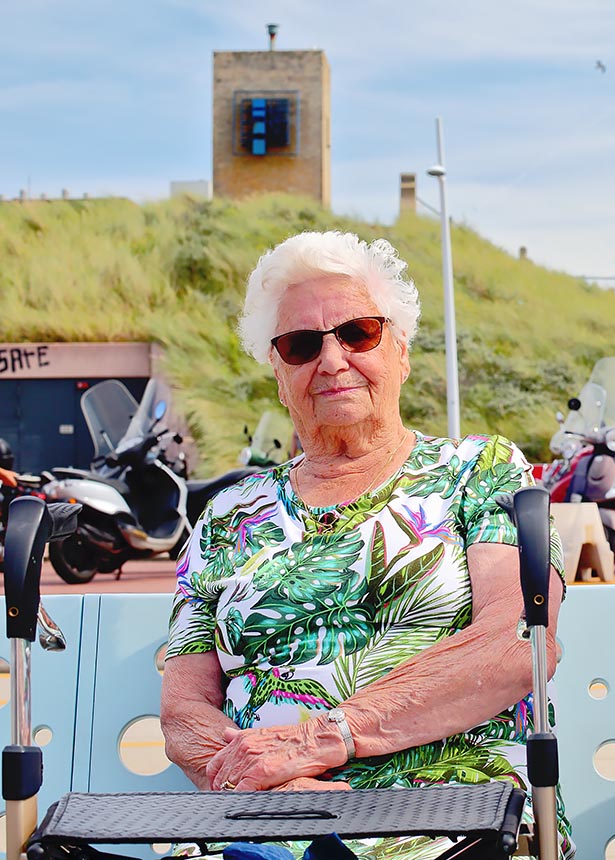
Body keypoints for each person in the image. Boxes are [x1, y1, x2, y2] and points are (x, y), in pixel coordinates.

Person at [159, 231, 572, 858]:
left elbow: (517, 643)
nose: (330, 361)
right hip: (265, 822)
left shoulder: (480, 471)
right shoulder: (227, 516)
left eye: (358, 333)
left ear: (401, 351)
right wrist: (285, 800)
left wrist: (321, 742)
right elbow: (185, 709)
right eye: (300, 345)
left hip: (453, 818)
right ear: (278, 373)